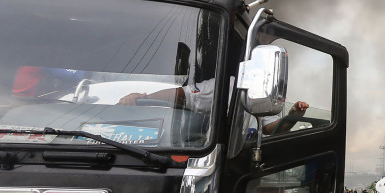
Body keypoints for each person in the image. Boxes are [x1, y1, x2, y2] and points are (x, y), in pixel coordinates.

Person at [119, 79, 308, 136]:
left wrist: (293, 116)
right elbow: (183, 96)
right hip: (213, 151)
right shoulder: (227, 85)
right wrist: (143, 98)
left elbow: (269, 129)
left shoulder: (270, 97)